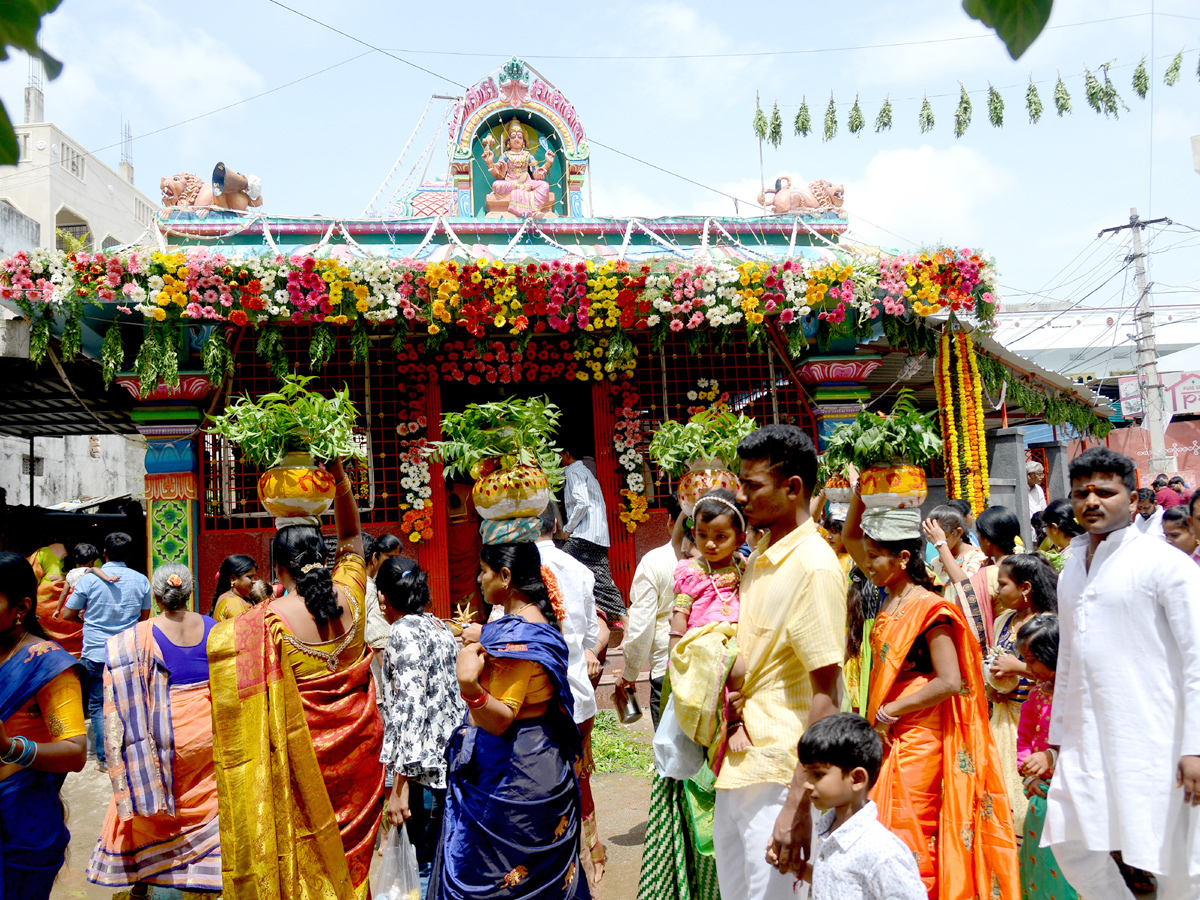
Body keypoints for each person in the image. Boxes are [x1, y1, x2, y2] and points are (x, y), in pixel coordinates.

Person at [208, 457, 384, 900]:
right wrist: (341, 478)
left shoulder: (262, 624)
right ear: (324, 557)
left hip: (303, 769)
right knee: (354, 863)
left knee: (309, 859)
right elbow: (350, 537)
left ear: (277, 568)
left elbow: (239, 718)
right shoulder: (354, 595)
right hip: (362, 760)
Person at [842, 491, 1019, 898]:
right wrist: (859, 492)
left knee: (914, 832)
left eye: (875, 557)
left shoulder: (930, 609)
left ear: (903, 558)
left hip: (918, 736)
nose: (867, 564)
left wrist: (889, 712)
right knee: (890, 829)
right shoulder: (891, 597)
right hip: (891, 733)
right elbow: (852, 536)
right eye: (865, 556)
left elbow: (950, 681)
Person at [1044, 447, 1200, 900]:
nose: (1091, 501)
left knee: (1178, 861)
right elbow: (1069, 659)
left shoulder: (1165, 565)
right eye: (1080, 493)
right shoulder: (1074, 568)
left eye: (1105, 492)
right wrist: (1058, 739)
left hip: (1159, 739)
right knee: (1071, 841)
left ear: (1133, 501)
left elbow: (1196, 660)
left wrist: (1195, 746)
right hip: (1087, 739)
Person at [717, 425, 845, 899]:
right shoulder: (760, 557)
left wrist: (797, 804)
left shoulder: (814, 566)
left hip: (780, 775)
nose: (740, 497)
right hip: (740, 765)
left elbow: (826, 697)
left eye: (752, 485)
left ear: (792, 488)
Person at [431, 540, 589, 900]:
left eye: (483, 572)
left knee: (496, 875)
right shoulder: (539, 623)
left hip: (512, 770)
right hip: (546, 759)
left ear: (504, 577)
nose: (479, 579)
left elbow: (500, 718)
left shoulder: (515, 639)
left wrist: (469, 686)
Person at [86, 563, 221, 895]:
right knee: (206, 800)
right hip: (207, 732)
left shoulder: (134, 638)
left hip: (160, 736)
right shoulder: (213, 627)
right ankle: (203, 867)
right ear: (190, 592)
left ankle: (155, 870)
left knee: (154, 796)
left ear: (157, 596)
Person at [0, 551, 87, 900]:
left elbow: (74, 752)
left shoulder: (47, 665)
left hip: (20, 819)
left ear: (20, 608)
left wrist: (9, 747)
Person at [377, 557, 464, 885]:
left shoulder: (401, 632)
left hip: (420, 775)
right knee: (443, 859)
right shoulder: (439, 626)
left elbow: (409, 711)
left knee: (423, 865)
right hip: (448, 764)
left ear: (384, 597)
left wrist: (397, 788)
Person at [535, 503, 607, 884]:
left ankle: (560, 871)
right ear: (557, 524)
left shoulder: (519, 569)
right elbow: (593, 635)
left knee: (544, 788)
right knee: (579, 779)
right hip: (578, 693)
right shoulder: (579, 569)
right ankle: (590, 854)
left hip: (539, 698)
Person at [787, 713, 926, 900]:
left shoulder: (883, 853)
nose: (807, 784)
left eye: (818, 775)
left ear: (857, 779)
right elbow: (837, 883)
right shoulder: (831, 834)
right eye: (807, 774)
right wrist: (798, 868)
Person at [61, 531, 151, 773]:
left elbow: (67, 614)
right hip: (127, 651)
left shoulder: (90, 580)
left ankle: (104, 759)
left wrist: (89, 623)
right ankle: (129, 754)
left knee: (98, 705)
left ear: (104, 553)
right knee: (128, 702)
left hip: (95, 652)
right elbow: (144, 620)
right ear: (130, 554)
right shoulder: (142, 580)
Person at [985, 552, 1059, 836]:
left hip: (1037, 722)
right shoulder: (1003, 620)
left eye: (1003, 584)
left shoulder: (1047, 625)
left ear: (1025, 588)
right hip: (1004, 719)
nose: (997, 590)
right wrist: (994, 684)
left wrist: (1017, 667)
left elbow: (1059, 673)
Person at [1014, 614, 1079, 900]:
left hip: (1071, 799)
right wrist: (1028, 774)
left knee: (1066, 866)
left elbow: (1082, 743)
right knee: (1037, 862)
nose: (1027, 668)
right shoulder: (1036, 696)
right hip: (1039, 796)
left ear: (1052, 654)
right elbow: (1024, 740)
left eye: (1032, 660)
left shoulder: (1077, 697)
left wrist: (1050, 758)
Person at [621, 493, 684, 729]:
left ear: (670, 521)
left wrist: (629, 672)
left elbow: (641, 625)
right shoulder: (722, 561)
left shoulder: (654, 562)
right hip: (712, 669)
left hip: (666, 667)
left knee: (670, 756)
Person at [561, 442, 626, 659]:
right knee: (602, 581)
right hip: (596, 534)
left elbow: (581, 503)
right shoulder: (584, 471)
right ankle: (625, 623)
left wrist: (567, 529)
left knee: (558, 568)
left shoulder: (573, 472)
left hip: (582, 534)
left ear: (566, 454)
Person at [943, 506, 1022, 648]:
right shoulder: (1027, 562)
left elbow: (966, 593)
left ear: (987, 540)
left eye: (979, 535)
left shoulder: (991, 573)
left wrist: (940, 545)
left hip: (1003, 645)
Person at [362, 533, 403, 698]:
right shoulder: (372, 591)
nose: (394, 562)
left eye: (397, 557)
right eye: (389, 557)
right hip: (377, 683)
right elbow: (381, 648)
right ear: (375, 557)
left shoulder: (352, 585)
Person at [29, 540, 84, 657]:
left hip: (47, 617)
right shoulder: (89, 552)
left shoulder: (43, 553)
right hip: (77, 615)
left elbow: (30, 583)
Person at [922, 504, 987, 589]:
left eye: (942, 537)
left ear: (958, 532)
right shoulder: (935, 562)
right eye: (932, 539)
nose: (935, 544)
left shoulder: (977, 557)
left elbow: (966, 589)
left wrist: (941, 545)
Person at [1039, 497, 1085, 570]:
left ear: (1054, 528)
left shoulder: (1069, 558)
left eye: (1046, 526)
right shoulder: (1088, 548)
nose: (1046, 532)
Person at [210, 553, 258, 620]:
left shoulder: (233, 598)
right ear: (233, 579)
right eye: (249, 577)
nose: (254, 581)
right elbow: (245, 628)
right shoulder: (233, 603)